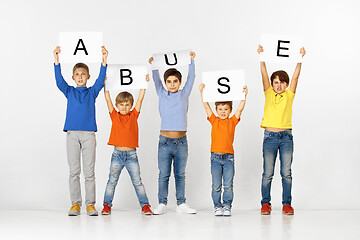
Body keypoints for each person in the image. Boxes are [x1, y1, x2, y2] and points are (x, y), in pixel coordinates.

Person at [53, 45, 108, 216]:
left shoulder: (92, 92)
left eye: (83, 74)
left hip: (88, 135)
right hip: (72, 135)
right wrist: (56, 60)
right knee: (74, 171)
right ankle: (75, 204)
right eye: (77, 74)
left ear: (88, 76)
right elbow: (59, 81)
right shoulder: (69, 91)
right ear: (73, 77)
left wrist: (104, 60)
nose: (80, 76)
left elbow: (100, 81)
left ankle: (90, 204)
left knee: (89, 172)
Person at [257, 45, 306, 215]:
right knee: (268, 173)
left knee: (286, 173)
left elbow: (296, 77)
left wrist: (300, 59)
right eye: (276, 82)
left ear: (286, 84)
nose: (279, 85)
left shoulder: (289, 95)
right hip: (270, 137)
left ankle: (287, 204)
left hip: (286, 137)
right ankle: (265, 203)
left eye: (282, 82)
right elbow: (263, 74)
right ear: (272, 84)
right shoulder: (269, 93)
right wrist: (262, 56)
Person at [148, 52, 197, 214]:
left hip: (181, 141)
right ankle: (162, 203)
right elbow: (155, 79)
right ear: (165, 83)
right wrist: (153, 66)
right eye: (169, 81)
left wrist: (191, 60)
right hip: (165, 141)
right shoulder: (162, 93)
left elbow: (192, 77)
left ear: (180, 82)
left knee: (180, 174)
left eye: (175, 81)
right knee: (163, 174)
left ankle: (181, 203)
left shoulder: (184, 93)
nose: (172, 84)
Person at [101, 75, 152, 215]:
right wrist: (106, 85)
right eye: (122, 104)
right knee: (112, 181)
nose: (124, 107)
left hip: (131, 155)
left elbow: (140, 99)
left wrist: (143, 84)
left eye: (127, 104)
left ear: (131, 105)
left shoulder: (134, 115)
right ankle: (106, 205)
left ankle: (145, 206)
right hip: (117, 154)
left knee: (137, 182)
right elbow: (107, 98)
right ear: (117, 106)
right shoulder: (114, 115)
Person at [199, 84, 248, 216]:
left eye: (226, 109)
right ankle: (217, 206)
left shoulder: (232, 121)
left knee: (228, 185)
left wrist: (244, 95)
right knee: (216, 186)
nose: (223, 111)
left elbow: (240, 109)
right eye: (220, 109)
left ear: (230, 110)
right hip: (215, 158)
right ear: (216, 110)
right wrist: (202, 92)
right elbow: (206, 106)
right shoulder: (214, 120)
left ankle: (227, 206)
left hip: (228, 158)